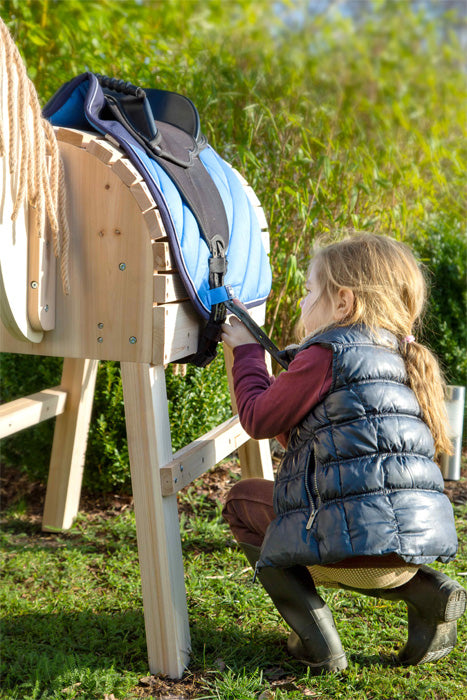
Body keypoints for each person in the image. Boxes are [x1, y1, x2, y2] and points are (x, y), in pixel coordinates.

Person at [221, 233, 466, 674]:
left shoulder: (326, 354)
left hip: (353, 553)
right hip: (413, 551)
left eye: (309, 289)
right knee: (359, 517)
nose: (301, 300)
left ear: (343, 303)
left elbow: (258, 417)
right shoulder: (403, 352)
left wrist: (245, 352)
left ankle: (317, 641)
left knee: (241, 501)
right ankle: (428, 591)